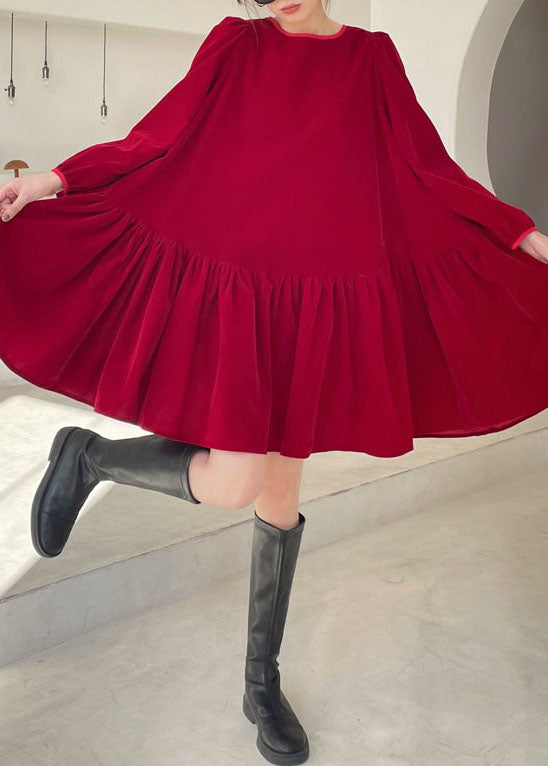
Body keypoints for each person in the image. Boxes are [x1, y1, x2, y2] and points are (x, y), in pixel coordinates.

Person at [0, 0, 547, 763]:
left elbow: (429, 168)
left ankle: (261, 681)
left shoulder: (371, 58)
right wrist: (56, 179)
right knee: (234, 482)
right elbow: (157, 138)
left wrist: (521, 232)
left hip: (315, 305)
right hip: (242, 300)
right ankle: (89, 457)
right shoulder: (238, 44)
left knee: (280, 499)